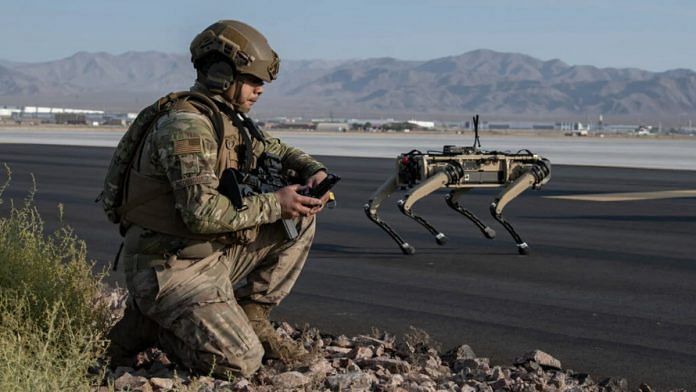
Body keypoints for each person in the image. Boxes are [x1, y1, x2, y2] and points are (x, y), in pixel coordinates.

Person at [106, 20, 329, 378]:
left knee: (301, 216)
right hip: (168, 269)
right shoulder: (186, 126)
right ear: (223, 75)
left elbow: (274, 148)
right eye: (254, 80)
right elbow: (201, 213)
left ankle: (252, 316)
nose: (260, 90)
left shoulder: (226, 120)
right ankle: (155, 328)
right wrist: (275, 203)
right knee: (240, 363)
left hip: (208, 255)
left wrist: (311, 170)